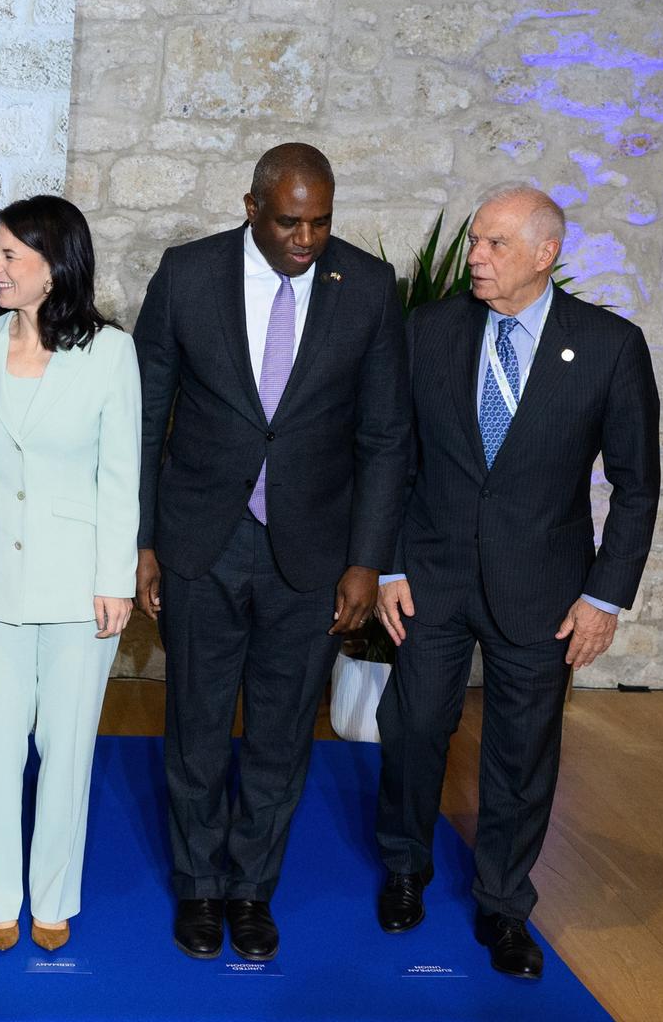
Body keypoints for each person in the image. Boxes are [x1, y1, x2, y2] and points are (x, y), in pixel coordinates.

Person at [134, 143, 412, 962]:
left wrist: (365, 560)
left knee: (284, 733)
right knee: (194, 725)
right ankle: (197, 887)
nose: (306, 237)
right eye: (289, 220)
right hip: (201, 543)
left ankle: (252, 889)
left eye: (321, 221)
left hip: (313, 553)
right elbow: (147, 418)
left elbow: (386, 436)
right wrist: (142, 541)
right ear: (251, 206)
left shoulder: (366, 287)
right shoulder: (187, 275)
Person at [372, 185, 658, 979]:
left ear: (545, 254)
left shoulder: (609, 346)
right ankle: (404, 867)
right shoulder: (428, 330)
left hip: (545, 590)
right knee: (414, 727)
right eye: (473, 243)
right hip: (429, 577)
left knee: (522, 752)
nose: (475, 258)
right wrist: (390, 561)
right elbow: (395, 453)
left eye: (495, 245)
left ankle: (502, 905)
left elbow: (636, 486)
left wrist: (605, 596)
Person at [0, 196, 140, 953]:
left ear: (54, 265)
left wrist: (116, 579)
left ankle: (53, 895)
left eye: (8, 257)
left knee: (67, 753)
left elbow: (121, 473)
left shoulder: (111, 353)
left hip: (79, 585)